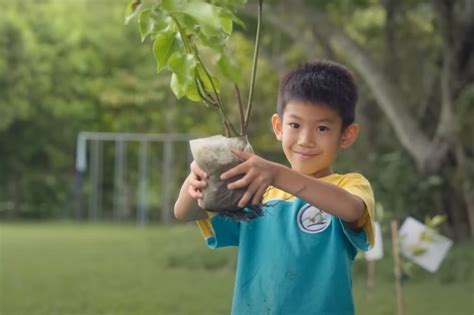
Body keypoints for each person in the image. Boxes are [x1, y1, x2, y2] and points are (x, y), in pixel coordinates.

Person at [174, 60, 375, 315]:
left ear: (346, 135)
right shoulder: (259, 188)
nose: (305, 140)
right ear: (279, 127)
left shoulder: (349, 186)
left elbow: (351, 209)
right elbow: (184, 212)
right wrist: (194, 181)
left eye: (322, 128)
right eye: (295, 125)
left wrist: (276, 173)